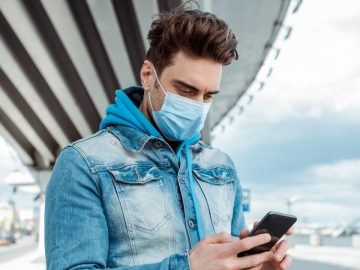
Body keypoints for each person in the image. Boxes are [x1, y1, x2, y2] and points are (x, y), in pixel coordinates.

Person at [45, 2, 292, 270]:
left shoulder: (220, 166)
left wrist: (256, 265)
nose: (198, 105)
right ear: (148, 75)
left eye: (208, 95)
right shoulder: (83, 163)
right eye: (186, 91)